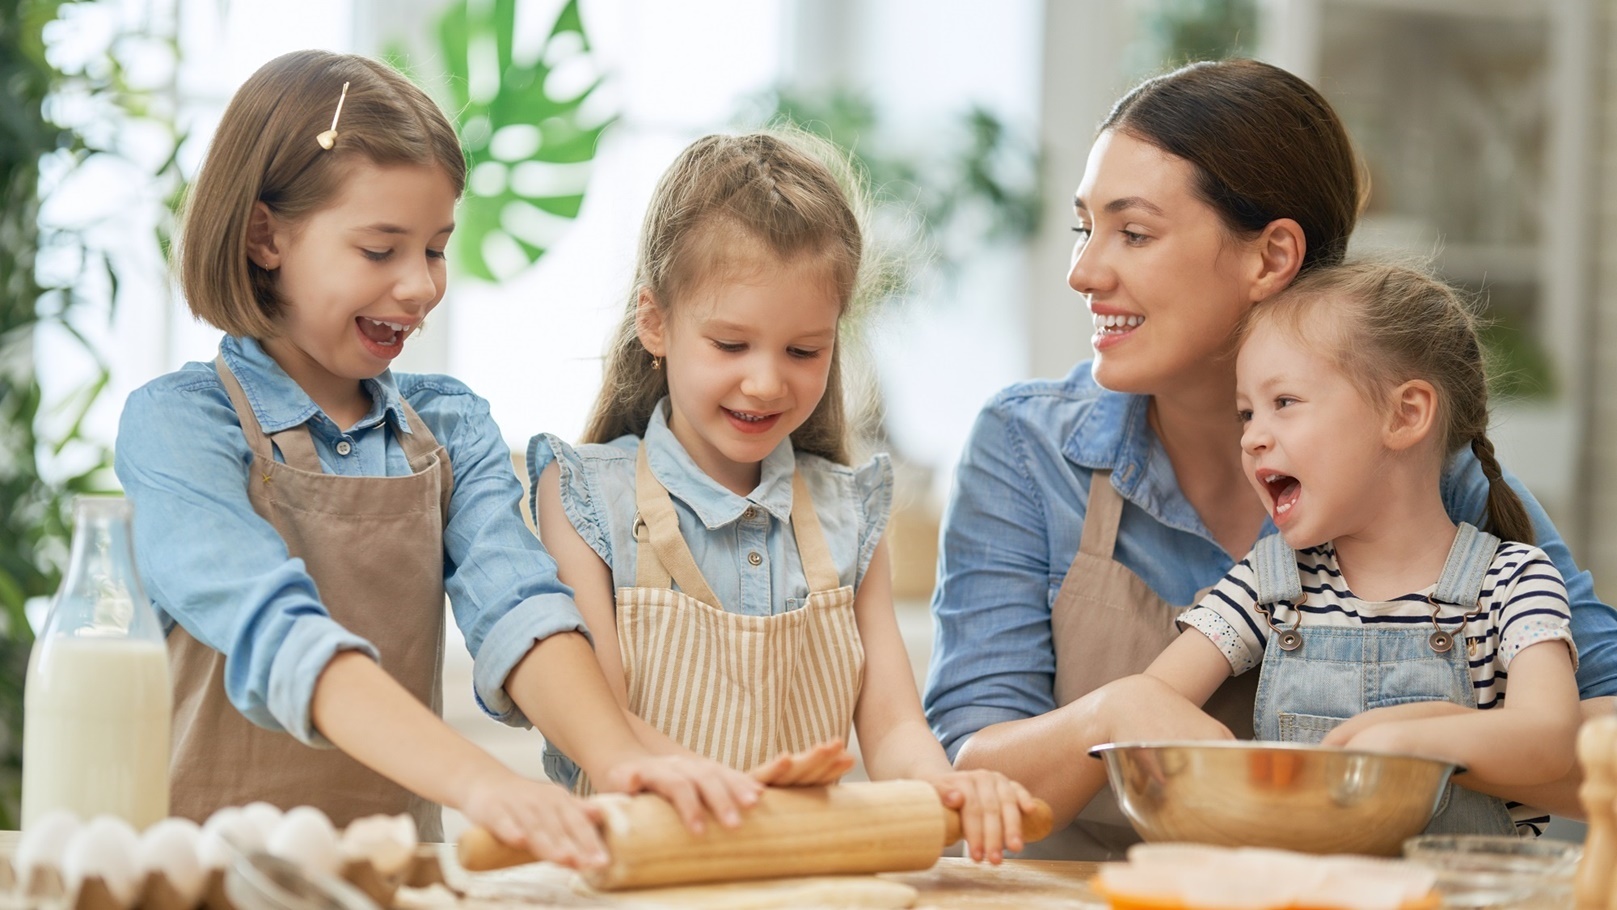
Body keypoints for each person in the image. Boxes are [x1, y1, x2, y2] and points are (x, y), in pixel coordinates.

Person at [922, 58, 1617, 859]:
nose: (1083, 271)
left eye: (1134, 232)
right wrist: (1110, 715)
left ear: (1270, 257)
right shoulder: (1025, 447)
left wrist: (1438, 738)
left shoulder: (1417, 467)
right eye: (1085, 227)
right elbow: (969, 777)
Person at [114, 50, 759, 867]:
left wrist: (623, 757)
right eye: (381, 251)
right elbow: (277, 634)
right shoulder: (178, 427)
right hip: (198, 878)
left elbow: (520, 609)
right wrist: (485, 785)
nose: (420, 287)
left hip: (398, 876)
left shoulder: (450, 426)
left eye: (435, 249)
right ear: (264, 236)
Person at [528, 130, 1039, 863]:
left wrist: (949, 786)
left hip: (799, 880)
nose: (767, 382)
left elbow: (893, 729)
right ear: (655, 322)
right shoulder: (581, 497)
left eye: (803, 351)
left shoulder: (849, 512)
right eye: (730, 345)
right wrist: (746, 799)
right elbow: (598, 722)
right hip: (638, 880)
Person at [1082, 260, 1582, 836]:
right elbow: (1151, 703)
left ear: (1406, 414)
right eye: (1246, 413)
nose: (1251, 436)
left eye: (1285, 402)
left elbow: (1550, 743)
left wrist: (1414, 738)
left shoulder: (1516, 582)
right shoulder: (1267, 586)